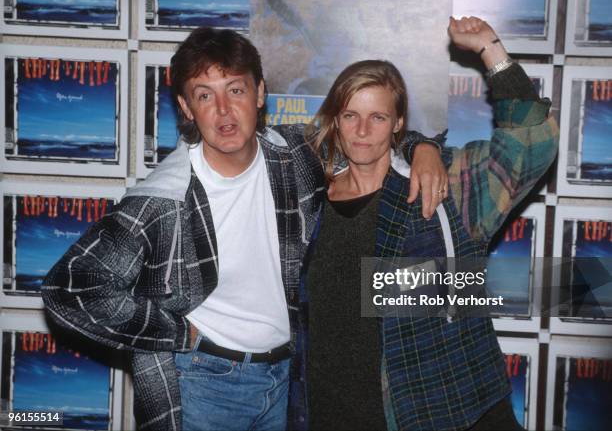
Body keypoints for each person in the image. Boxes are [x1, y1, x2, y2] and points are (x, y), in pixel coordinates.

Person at [40, 27, 446, 431]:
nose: (222, 110)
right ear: (186, 107)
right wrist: (178, 333)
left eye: (235, 90)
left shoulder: (295, 156)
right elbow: (71, 289)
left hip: (290, 381)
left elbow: (369, 135)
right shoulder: (162, 200)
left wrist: (422, 149)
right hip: (204, 384)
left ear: (261, 94)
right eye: (204, 95)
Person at [302, 16, 558, 431]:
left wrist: (488, 47)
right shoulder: (309, 201)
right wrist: (422, 144)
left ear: (399, 122)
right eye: (351, 115)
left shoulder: (441, 188)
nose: (363, 130)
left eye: (379, 118)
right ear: (336, 119)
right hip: (327, 414)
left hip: (433, 413)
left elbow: (532, 144)